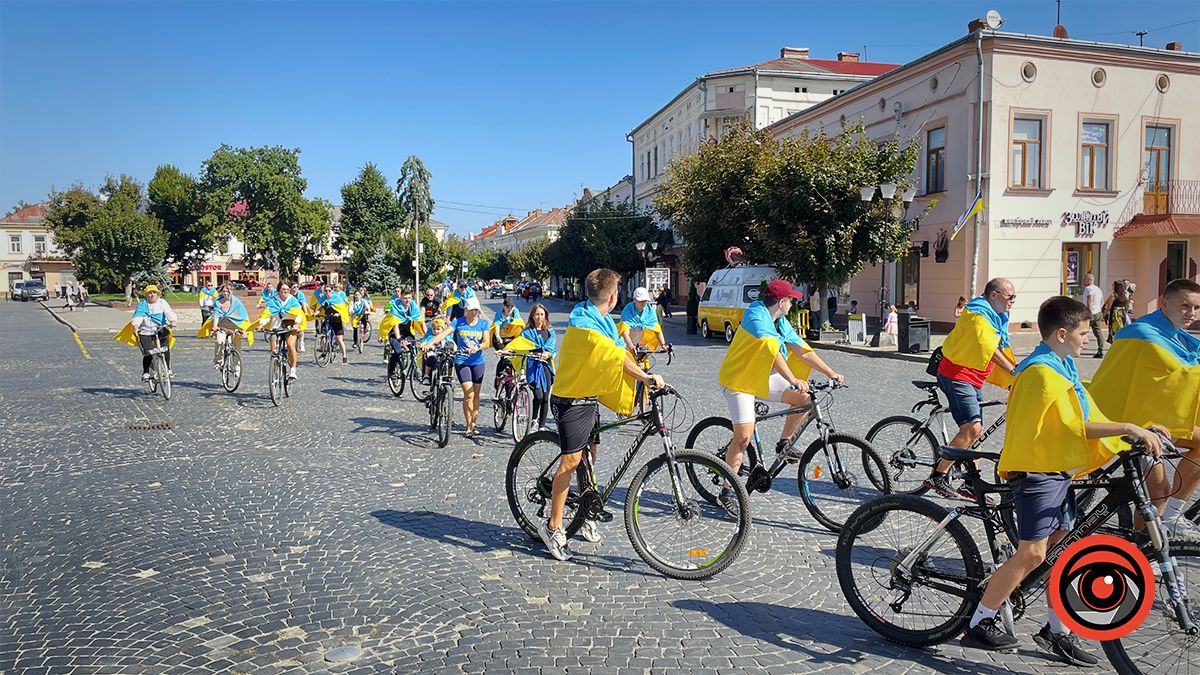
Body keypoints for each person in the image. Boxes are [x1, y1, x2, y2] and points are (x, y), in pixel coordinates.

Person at [959, 296, 1165, 664]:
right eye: (1084, 333)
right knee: (1034, 553)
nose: (1088, 338)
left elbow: (1090, 411)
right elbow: (1074, 426)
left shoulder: (1062, 366)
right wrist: (1128, 427)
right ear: (1061, 334)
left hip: (1056, 471)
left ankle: (1057, 631)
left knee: (1060, 554)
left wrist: (1141, 428)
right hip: (1037, 471)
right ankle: (979, 622)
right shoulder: (1041, 373)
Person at [537, 269, 664, 561]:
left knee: (589, 459)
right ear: (614, 296)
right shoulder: (585, 325)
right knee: (571, 461)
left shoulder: (602, 320)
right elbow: (615, 356)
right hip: (570, 399)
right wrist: (646, 378)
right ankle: (553, 527)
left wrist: (642, 365)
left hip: (589, 396)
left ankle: (585, 512)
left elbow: (621, 349)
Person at [717, 279, 845, 511]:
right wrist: (793, 379)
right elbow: (773, 352)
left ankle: (784, 444)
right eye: (791, 300)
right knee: (744, 437)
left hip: (760, 376)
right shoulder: (756, 316)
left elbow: (801, 349)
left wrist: (831, 372)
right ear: (782, 301)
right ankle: (726, 491)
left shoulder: (779, 320)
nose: (793, 304)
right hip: (739, 380)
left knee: (805, 399)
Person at [1089, 278, 1200, 536]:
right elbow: (1183, 372)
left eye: (1196, 308)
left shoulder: (1173, 334)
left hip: (1156, 420)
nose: (1191, 313)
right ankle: (1142, 546)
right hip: (1130, 422)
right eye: (1185, 306)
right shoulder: (1143, 333)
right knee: (1157, 492)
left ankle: (1172, 516)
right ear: (1164, 303)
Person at [926, 278, 1019, 501]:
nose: (1013, 301)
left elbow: (1001, 347)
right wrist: (1014, 371)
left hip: (973, 378)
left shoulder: (996, 317)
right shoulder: (978, 315)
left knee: (976, 433)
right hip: (957, 375)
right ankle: (938, 476)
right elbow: (989, 347)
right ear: (994, 295)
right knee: (972, 428)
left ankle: (970, 483)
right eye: (1010, 297)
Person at [425, 296, 492, 436]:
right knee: (469, 393)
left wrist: (478, 347)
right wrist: (430, 343)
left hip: (478, 362)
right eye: (472, 310)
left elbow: (487, 342)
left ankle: (474, 423)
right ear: (466, 310)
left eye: (476, 310)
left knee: (476, 394)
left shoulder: (483, 324)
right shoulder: (458, 322)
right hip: (462, 361)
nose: (475, 313)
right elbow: (444, 334)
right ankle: (468, 426)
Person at [113, 284, 178, 381]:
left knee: (165, 348)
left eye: (154, 293)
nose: (152, 295)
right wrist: (136, 327)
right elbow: (137, 318)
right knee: (148, 352)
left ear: (158, 294)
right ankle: (146, 371)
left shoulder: (162, 303)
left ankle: (168, 369)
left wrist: (173, 321)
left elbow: (169, 312)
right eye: (149, 293)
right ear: (146, 295)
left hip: (160, 329)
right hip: (146, 330)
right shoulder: (142, 305)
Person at [517, 303, 557, 431]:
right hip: (532, 366)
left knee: (545, 397)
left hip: (546, 366)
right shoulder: (526, 332)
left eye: (541, 314)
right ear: (532, 316)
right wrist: (504, 351)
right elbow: (518, 345)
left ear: (545, 316)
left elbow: (552, 349)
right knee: (538, 396)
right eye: (537, 314)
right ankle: (534, 419)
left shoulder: (550, 332)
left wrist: (548, 354)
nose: (539, 317)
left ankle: (542, 425)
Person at [259, 281, 306, 381]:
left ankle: (293, 370)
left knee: (290, 345)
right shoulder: (273, 301)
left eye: (287, 289)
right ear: (279, 290)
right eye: (283, 289)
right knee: (274, 350)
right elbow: (267, 315)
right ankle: (276, 367)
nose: (286, 291)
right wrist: (261, 324)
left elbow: (298, 314)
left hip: (290, 327)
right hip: (276, 327)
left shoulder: (293, 300)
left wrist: (296, 324)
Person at [198, 282, 253, 369]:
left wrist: (244, 329)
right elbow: (216, 314)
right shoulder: (218, 302)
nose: (225, 293)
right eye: (223, 291)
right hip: (222, 326)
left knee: (237, 347)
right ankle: (219, 362)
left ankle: (237, 369)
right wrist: (215, 326)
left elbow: (243, 316)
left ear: (231, 291)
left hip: (235, 326)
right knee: (219, 341)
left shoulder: (236, 302)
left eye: (227, 291)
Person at [380, 287, 424, 378]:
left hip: (407, 332)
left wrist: (427, 336)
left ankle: (416, 369)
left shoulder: (413, 306)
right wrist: (399, 339)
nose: (407, 300)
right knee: (398, 351)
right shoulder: (395, 306)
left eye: (409, 298)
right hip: (394, 334)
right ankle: (391, 371)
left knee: (414, 349)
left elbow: (421, 321)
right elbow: (395, 324)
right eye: (405, 298)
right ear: (401, 297)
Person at [492, 297, 525, 396]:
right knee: (504, 356)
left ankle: (513, 378)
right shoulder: (499, 314)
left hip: (511, 337)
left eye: (511, 307)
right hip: (500, 338)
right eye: (507, 307)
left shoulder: (516, 312)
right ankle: (498, 377)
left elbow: (520, 324)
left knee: (515, 356)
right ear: (504, 306)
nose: (509, 309)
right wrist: (498, 337)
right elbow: (497, 326)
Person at [617, 287, 667, 353]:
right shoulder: (628, 310)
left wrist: (663, 345)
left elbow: (657, 330)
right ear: (634, 299)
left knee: (641, 359)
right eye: (640, 301)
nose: (643, 303)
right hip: (626, 343)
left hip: (640, 343)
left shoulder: (650, 311)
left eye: (645, 301)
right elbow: (625, 331)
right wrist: (631, 346)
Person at [323, 282, 351, 363]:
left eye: (329, 290)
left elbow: (342, 309)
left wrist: (338, 314)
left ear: (332, 291)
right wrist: (314, 314)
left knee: (339, 339)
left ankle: (344, 357)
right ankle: (325, 351)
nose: (327, 292)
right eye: (326, 291)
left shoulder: (337, 298)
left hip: (337, 321)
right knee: (323, 336)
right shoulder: (323, 299)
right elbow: (320, 308)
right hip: (328, 319)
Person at [1081, 273, 1104, 358]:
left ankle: (1077, 346)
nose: (1083, 281)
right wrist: (1099, 309)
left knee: (1081, 329)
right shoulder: (1098, 289)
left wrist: (1088, 312)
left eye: (1085, 279)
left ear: (1090, 280)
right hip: (1097, 312)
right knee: (1098, 331)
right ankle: (1100, 349)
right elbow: (1102, 301)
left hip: (1090, 313)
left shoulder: (1088, 289)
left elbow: (1089, 300)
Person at [1102, 279, 1132, 344]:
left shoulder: (1113, 295)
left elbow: (1108, 307)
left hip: (1115, 315)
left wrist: (1103, 315)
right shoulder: (1124, 295)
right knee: (1121, 328)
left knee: (1114, 330)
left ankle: (1115, 342)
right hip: (1122, 314)